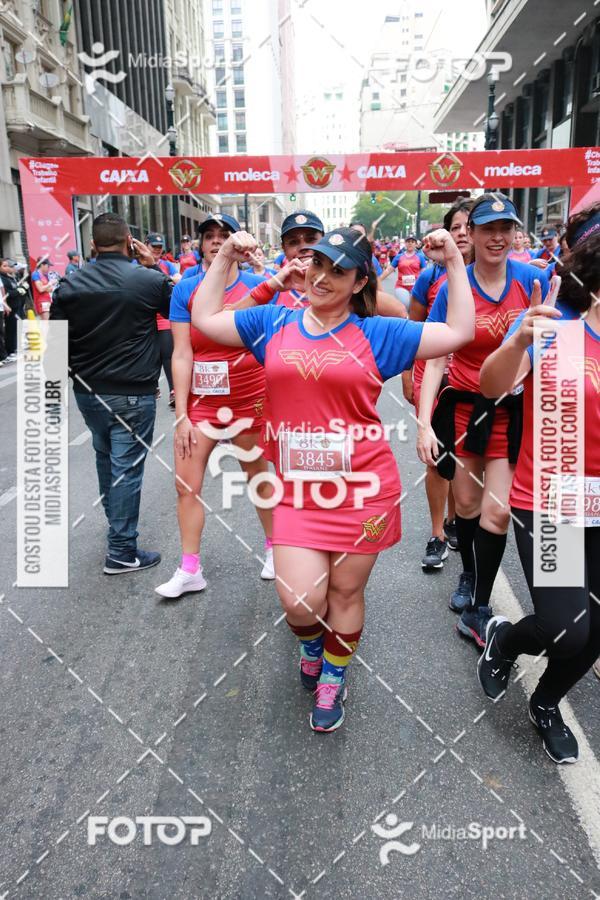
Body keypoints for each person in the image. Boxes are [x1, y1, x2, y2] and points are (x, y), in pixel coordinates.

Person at [191, 226, 474, 733]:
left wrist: (454, 259)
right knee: (299, 601)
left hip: (363, 490)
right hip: (299, 492)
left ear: (359, 280)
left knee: (344, 593)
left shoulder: (378, 334)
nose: (320, 277)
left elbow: (458, 333)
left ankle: (333, 677)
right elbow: (205, 319)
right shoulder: (272, 323)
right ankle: (310, 646)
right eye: (316, 263)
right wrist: (227, 258)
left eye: (337, 271)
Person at [477, 204, 600, 764]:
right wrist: (516, 343)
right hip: (552, 499)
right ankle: (505, 640)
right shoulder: (559, 329)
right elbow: (492, 386)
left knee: (595, 632)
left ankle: (546, 702)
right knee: (566, 628)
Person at [417, 194, 548, 647]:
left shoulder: (535, 279)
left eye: (505, 229)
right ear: (468, 235)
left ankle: (481, 603)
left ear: (515, 233)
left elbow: (559, 341)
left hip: (514, 413)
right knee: (468, 508)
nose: (497, 238)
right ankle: (469, 577)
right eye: (487, 229)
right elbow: (434, 359)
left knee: (498, 510)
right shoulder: (454, 288)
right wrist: (422, 423)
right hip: (466, 410)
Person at [155, 213, 275, 599]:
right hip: (203, 406)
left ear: (240, 245)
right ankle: (190, 569)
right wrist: (182, 415)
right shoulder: (184, 290)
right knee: (185, 485)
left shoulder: (259, 285)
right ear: (201, 244)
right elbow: (182, 354)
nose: (216, 240)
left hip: (250, 398)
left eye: (224, 235)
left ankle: (275, 549)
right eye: (209, 235)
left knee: (258, 477)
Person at [50, 213, 172, 574]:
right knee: (126, 469)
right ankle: (120, 550)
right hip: (133, 393)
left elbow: (54, 347)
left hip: (88, 394)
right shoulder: (149, 280)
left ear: (92, 245)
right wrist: (156, 265)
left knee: (106, 459)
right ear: (129, 241)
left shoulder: (68, 286)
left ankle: (116, 530)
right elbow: (181, 309)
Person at [404, 198, 474, 569]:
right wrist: (406, 375)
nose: (461, 234)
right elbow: (414, 327)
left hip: (474, 387)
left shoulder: (511, 276)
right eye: (455, 227)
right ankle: (437, 533)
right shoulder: (432, 278)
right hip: (434, 376)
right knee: (437, 459)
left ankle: (455, 520)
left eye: (467, 227)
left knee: (462, 461)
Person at [239, 210, 407, 318]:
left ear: (324, 241)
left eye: (311, 239)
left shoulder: (345, 284)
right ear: (284, 248)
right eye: (293, 242)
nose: (303, 247)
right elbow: (223, 323)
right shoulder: (273, 285)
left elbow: (398, 313)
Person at [144, 233, 181, 407]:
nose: (157, 250)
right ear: (145, 246)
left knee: (168, 353)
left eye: (160, 247)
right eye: (154, 247)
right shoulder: (135, 265)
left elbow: (178, 281)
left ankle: (174, 391)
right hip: (144, 317)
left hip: (164, 316)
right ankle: (151, 386)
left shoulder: (167, 265)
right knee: (149, 353)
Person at [381, 235, 427, 306]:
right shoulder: (399, 257)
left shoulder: (420, 257)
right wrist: (378, 280)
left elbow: (424, 273)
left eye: (412, 242)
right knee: (405, 303)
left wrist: (425, 286)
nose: (410, 243)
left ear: (416, 244)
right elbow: (389, 270)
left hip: (416, 287)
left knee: (414, 308)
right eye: (408, 241)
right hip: (401, 286)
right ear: (405, 244)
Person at [0, 258, 27, 360]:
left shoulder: (9, 277)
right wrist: (18, 291)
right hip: (9, 306)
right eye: (5, 266)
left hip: (17, 305)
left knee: (16, 327)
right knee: (10, 328)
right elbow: (6, 293)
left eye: (9, 266)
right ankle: (11, 350)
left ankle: (15, 347)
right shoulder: (2, 278)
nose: (9, 268)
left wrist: (22, 289)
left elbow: (15, 288)